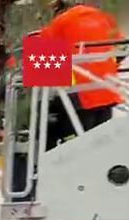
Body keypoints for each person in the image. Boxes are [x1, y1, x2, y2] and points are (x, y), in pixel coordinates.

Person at [37, 0, 122, 150]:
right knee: (102, 143)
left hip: (80, 97)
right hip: (107, 92)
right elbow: (121, 48)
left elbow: (44, 67)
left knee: (54, 132)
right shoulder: (105, 19)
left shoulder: (60, 23)